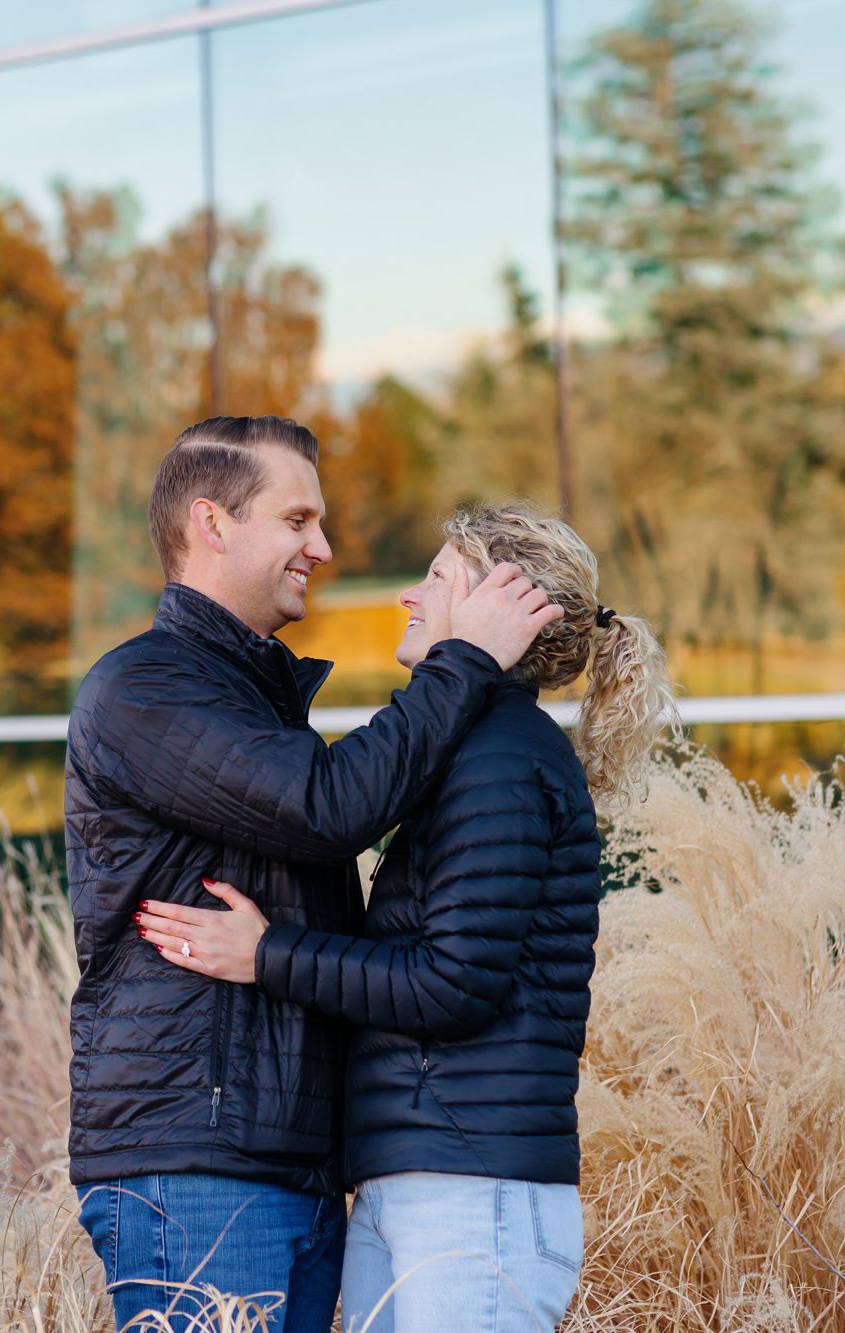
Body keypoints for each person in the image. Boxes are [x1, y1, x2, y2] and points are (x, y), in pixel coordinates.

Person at [66, 418, 563, 1333]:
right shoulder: (147, 688)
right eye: (298, 520)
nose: (323, 548)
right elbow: (329, 805)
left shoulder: (256, 700)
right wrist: (465, 658)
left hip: (289, 1165)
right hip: (198, 1162)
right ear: (212, 523)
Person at [136, 502, 676, 1332]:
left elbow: (453, 983)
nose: (409, 595)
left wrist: (267, 953)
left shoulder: (501, 757)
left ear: (499, 601)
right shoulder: (469, 748)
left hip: (473, 1195)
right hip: (424, 1180)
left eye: (436, 576)